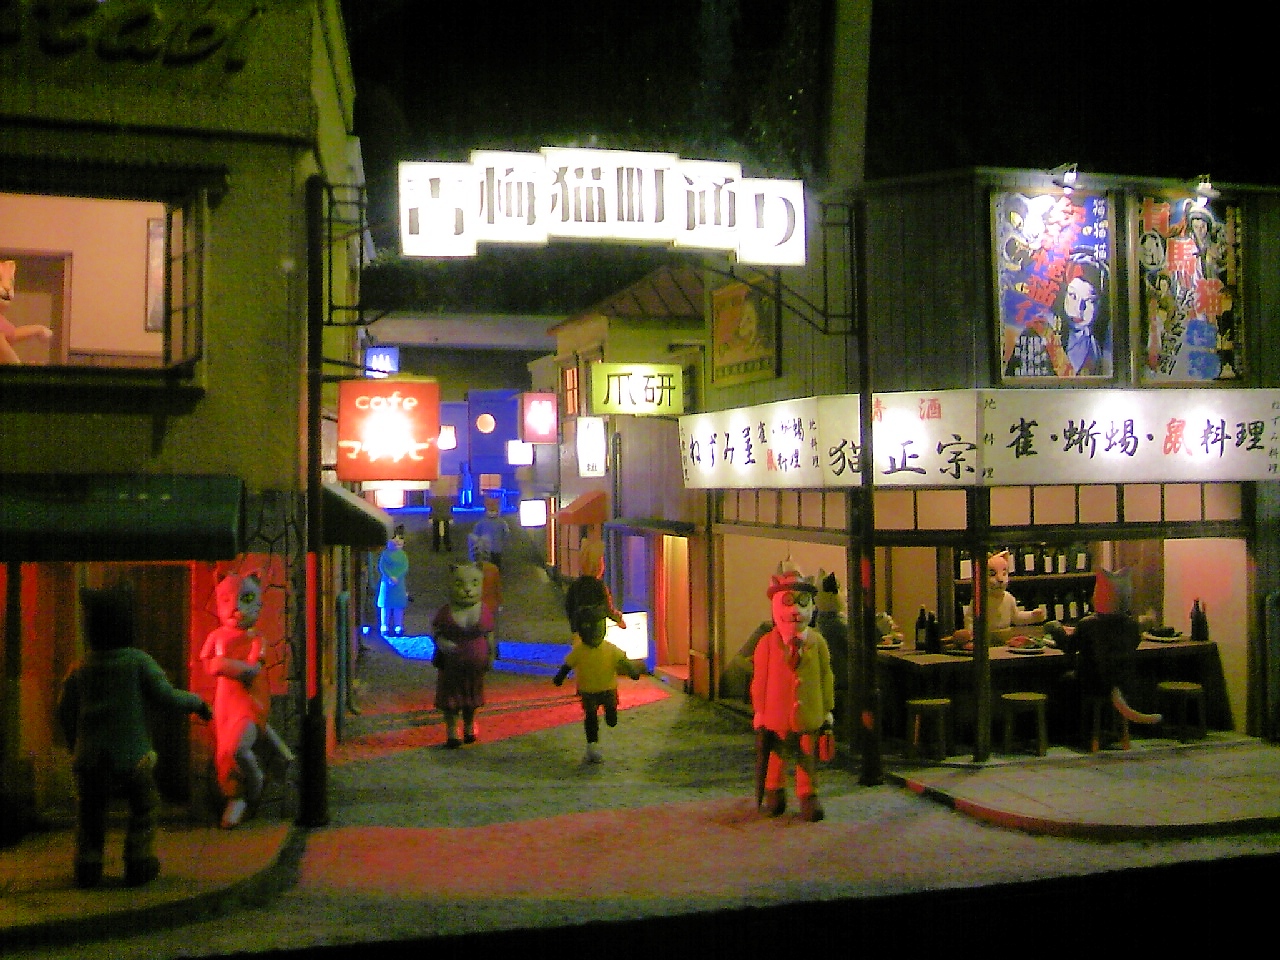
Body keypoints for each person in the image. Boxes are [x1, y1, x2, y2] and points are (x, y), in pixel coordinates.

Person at [57, 585, 213, 888]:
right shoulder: (138, 661)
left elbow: (64, 709)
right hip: (132, 756)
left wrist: (75, 744)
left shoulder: (80, 667)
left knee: (90, 813)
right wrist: (198, 703)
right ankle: (138, 861)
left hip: (89, 758)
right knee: (144, 805)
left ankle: (88, 865)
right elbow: (166, 696)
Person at [200, 571, 294, 829]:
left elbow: (252, 670)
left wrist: (223, 664)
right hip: (225, 702)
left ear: (258, 602)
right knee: (224, 753)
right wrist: (219, 665)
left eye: (246, 599)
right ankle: (235, 797)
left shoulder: (256, 639)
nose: (236, 607)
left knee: (236, 747)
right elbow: (208, 665)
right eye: (226, 600)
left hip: (250, 701)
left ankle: (255, 782)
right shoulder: (216, 636)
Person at [751, 567, 834, 822]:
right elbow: (760, 680)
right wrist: (760, 711)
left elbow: (826, 676)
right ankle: (774, 790)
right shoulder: (767, 643)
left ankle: (808, 794)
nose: (795, 610)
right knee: (777, 755)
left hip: (809, 713)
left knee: (807, 756)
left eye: (802, 603)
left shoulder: (817, 642)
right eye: (788, 602)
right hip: (777, 714)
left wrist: (828, 709)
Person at [1071, 567, 1161, 749]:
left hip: (1094, 683)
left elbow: (1070, 647)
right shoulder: (1131, 625)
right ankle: (1122, 736)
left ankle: (1080, 734)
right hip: (1123, 682)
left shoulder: (1088, 624)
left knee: (1066, 681)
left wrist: (1054, 629)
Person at [552, 603, 642, 763]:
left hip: (605, 689)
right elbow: (567, 665)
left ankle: (603, 727)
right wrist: (560, 676)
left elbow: (623, 660)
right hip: (590, 691)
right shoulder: (582, 650)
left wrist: (632, 670)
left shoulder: (606, 648)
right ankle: (592, 746)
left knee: (606, 716)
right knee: (591, 717)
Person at [432, 562, 495, 748]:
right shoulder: (446, 612)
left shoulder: (483, 609)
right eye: (460, 584)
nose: (467, 589)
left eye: (474, 583)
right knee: (450, 699)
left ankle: (469, 727)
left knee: (471, 698)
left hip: (475, 668)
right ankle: (452, 731)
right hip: (451, 665)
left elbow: (489, 634)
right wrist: (441, 642)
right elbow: (436, 632)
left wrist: (490, 655)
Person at [564, 537, 626, 635]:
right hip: (595, 632)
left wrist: (574, 627)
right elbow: (608, 610)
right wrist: (619, 619)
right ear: (598, 566)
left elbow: (569, 607)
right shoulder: (599, 586)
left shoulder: (575, 585)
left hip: (579, 630)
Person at [377, 525, 410, 637]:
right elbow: (382, 567)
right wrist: (390, 576)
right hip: (387, 583)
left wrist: (397, 576)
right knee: (385, 605)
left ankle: (398, 625)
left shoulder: (403, 555)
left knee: (398, 606)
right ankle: (384, 625)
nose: (397, 541)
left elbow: (405, 567)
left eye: (400, 538)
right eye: (393, 538)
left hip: (399, 584)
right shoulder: (385, 554)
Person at [471, 498, 510, 569]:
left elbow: (506, 534)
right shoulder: (482, 522)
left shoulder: (501, 522)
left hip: (495, 549)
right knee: (488, 565)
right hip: (487, 549)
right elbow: (476, 534)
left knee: (494, 565)